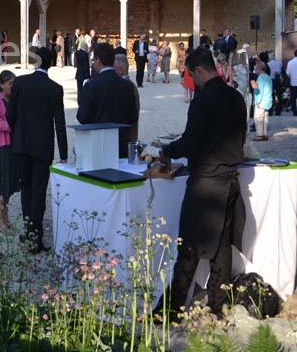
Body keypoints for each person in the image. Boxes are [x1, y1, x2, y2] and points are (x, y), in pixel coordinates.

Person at [152, 47, 247, 320]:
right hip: (229, 182)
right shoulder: (235, 96)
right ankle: (219, 307)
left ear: (198, 70)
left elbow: (191, 143)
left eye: (190, 74)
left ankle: (171, 311)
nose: (190, 80)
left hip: (205, 184)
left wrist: (165, 151)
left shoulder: (203, 101)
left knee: (189, 248)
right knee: (221, 249)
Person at [7, 47, 67, 252]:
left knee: (26, 189)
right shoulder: (55, 88)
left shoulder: (21, 83)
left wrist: (18, 135)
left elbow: (10, 115)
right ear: (49, 63)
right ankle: (36, 238)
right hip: (43, 147)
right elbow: (59, 123)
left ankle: (29, 234)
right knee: (39, 191)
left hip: (22, 145)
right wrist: (64, 153)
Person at [77, 43, 139, 157]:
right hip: (120, 145)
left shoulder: (91, 86)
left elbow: (82, 117)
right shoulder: (127, 86)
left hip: (96, 144)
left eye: (93, 60)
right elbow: (133, 117)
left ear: (98, 61)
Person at [0, 70, 18, 231]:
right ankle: (0, 220)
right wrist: (15, 126)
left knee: (8, 183)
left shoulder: (11, 98)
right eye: (10, 84)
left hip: (11, 145)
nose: (12, 87)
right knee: (1, 183)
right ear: (1, 84)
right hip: (1, 145)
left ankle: (5, 217)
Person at [113, 54, 140, 144]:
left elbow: (133, 115)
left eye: (113, 69)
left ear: (120, 70)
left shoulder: (128, 87)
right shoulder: (128, 86)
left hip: (126, 136)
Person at [252, 60, 273, 141]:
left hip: (261, 102)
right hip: (268, 101)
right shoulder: (268, 77)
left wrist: (257, 102)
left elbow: (259, 91)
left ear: (259, 69)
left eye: (256, 69)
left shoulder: (260, 78)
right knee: (265, 118)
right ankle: (265, 134)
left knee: (258, 118)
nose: (255, 70)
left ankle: (260, 135)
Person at [74, 41, 90, 106]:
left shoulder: (76, 53)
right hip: (84, 75)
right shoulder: (85, 54)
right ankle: (83, 103)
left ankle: (79, 102)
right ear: (85, 47)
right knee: (84, 91)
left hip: (78, 74)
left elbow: (75, 63)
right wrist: (88, 76)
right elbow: (86, 66)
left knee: (79, 90)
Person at [286, 50, 297, 116]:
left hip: (293, 83)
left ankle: (295, 112)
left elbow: (288, 73)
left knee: (293, 98)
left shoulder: (290, 62)